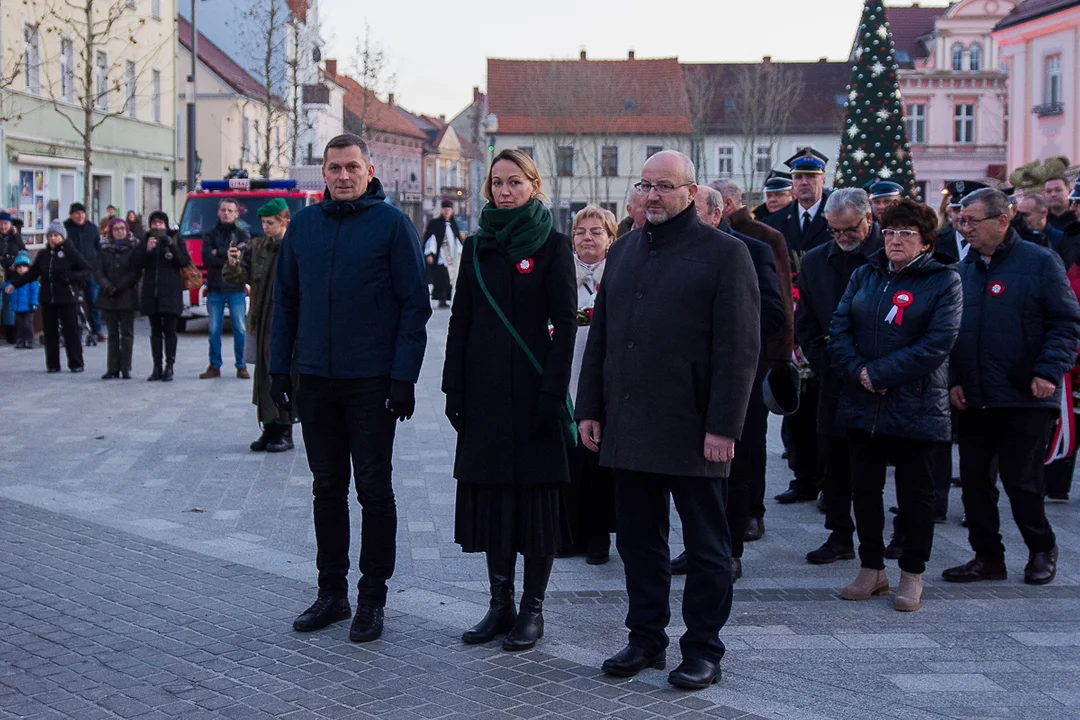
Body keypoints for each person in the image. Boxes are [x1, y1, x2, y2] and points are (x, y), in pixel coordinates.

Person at [576, 151, 760, 690]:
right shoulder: (626, 248)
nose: (653, 195)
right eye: (646, 185)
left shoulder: (725, 254)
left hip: (695, 428)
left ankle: (703, 648)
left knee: (707, 548)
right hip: (629, 424)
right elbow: (602, 340)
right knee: (638, 540)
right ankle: (645, 638)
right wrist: (591, 407)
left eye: (665, 187)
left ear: (690, 191)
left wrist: (724, 425)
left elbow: (739, 349)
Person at [271, 133, 431, 643]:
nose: (343, 176)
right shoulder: (304, 226)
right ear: (323, 171)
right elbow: (286, 303)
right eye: (334, 168)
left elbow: (415, 305)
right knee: (325, 488)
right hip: (317, 378)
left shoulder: (392, 225)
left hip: (371, 382)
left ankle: (372, 599)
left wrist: (404, 376)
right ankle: (332, 592)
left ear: (370, 169)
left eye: (352, 168)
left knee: (374, 490)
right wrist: (280, 369)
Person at [442, 148, 576, 651]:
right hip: (485, 397)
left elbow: (564, 327)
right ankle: (500, 603)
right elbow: (461, 321)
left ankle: (532, 610)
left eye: (514, 182)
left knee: (535, 504)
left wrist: (551, 392)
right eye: (497, 183)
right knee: (494, 500)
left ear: (533, 186)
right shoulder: (477, 247)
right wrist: (453, 386)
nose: (504, 191)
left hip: (536, 394)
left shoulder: (553, 246)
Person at [828, 199, 962, 612]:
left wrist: (882, 373)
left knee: (916, 493)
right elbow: (839, 327)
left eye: (905, 234)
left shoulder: (944, 280)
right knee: (863, 488)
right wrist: (860, 373)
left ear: (925, 242)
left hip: (916, 404)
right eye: (889, 232)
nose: (894, 240)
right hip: (863, 402)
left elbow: (938, 342)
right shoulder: (866, 273)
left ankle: (911, 574)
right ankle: (872, 569)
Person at [944, 188, 1080, 586]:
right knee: (974, 483)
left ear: (1002, 221)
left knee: (1022, 482)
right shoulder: (962, 270)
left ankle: (1041, 548)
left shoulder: (1039, 262)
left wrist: (1047, 372)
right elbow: (951, 333)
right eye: (960, 220)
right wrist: (954, 380)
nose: (963, 228)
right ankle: (987, 556)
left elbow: (1065, 323)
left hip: (1025, 394)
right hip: (973, 396)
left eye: (972, 221)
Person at [675, 185, 782, 581]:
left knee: (735, 469)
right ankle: (696, 547)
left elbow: (773, 314)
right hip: (689, 386)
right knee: (691, 471)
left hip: (740, 381)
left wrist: (726, 338)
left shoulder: (753, 252)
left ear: (716, 215)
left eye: (694, 211)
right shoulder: (677, 252)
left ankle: (729, 551)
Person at [797, 189, 884, 565]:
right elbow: (807, 324)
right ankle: (839, 533)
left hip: (882, 378)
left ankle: (887, 537)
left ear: (869, 219)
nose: (844, 238)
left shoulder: (890, 257)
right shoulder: (817, 261)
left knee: (877, 463)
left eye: (850, 230)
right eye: (835, 231)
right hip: (834, 377)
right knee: (834, 459)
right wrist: (828, 360)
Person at [710, 178, 795, 542]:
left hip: (749, 364)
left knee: (748, 447)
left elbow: (778, 311)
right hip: (702, 373)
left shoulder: (761, 243)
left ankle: (750, 515)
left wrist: (771, 352)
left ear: (721, 209)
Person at [763, 148, 834, 505]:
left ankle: (828, 480)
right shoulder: (778, 223)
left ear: (824, 180)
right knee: (796, 404)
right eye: (798, 178)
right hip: (788, 324)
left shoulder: (835, 217)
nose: (804, 184)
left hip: (825, 322)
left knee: (824, 403)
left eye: (811, 177)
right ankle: (803, 477)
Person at [564, 205, 617, 564]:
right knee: (569, 459)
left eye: (596, 231)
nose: (588, 238)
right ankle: (568, 535)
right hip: (568, 372)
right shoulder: (561, 273)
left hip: (605, 377)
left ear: (610, 238)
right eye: (581, 231)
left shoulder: (619, 272)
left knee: (599, 461)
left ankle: (599, 538)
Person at [223, 198, 297, 452]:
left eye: (271, 222)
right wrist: (232, 262)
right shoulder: (257, 247)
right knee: (263, 375)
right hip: (260, 318)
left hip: (287, 320)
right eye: (263, 222)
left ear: (284, 221)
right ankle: (269, 428)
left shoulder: (295, 247)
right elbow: (239, 277)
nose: (265, 227)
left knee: (283, 373)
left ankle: (285, 431)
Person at [6, 220, 89, 372]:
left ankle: (76, 363)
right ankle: (53, 364)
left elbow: (85, 270)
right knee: (50, 332)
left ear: (62, 236)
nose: (52, 239)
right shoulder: (44, 254)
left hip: (67, 297)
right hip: (48, 298)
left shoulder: (70, 252)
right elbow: (32, 273)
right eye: (50, 235)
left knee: (70, 331)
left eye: (56, 235)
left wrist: (69, 276)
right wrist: (15, 283)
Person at [200, 198, 250, 380]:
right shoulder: (209, 234)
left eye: (230, 210)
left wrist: (217, 252)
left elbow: (243, 258)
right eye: (223, 210)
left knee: (240, 329)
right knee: (214, 329)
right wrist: (227, 254)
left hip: (236, 288)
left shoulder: (243, 234)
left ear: (237, 213)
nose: (226, 213)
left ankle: (241, 365)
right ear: (218, 212)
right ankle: (214, 365)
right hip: (215, 288)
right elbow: (207, 259)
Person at [140, 211, 189, 382]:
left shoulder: (175, 239)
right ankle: (157, 367)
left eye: (161, 223)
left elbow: (184, 261)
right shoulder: (145, 239)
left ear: (166, 225)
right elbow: (136, 263)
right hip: (151, 293)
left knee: (170, 331)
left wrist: (172, 246)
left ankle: (170, 366)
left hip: (170, 293)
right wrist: (147, 250)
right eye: (154, 223)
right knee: (155, 332)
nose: (157, 226)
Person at [94, 218, 142, 380]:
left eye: (123, 228)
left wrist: (119, 287)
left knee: (127, 334)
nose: (120, 231)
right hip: (108, 296)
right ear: (110, 231)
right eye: (116, 229)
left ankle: (125, 367)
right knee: (112, 334)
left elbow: (135, 272)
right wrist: (107, 286)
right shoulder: (103, 248)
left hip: (127, 295)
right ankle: (112, 368)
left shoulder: (134, 246)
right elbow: (98, 270)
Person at [64, 202, 105, 344]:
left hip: (90, 269)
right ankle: (71, 330)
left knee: (93, 300)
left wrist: (99, 265)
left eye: (82, 213)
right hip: (72, 270)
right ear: (71, 215)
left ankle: (96, 329)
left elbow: (98, 247)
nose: (80, 215)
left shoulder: (92, 228)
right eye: (76, 213)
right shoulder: (65, 228)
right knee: (70, 301)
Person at [936, 181, 987, 264]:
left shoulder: (991, 241)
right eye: (956, 210)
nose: (961, 215)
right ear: (949, 213)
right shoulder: (937, 242)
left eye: (966, 210)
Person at [422, 200, 461, 308]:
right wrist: (429, 253)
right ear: (441, 210)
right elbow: (430, 239)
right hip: (440, 257)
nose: (447, 211)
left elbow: (457, 240)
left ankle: (446, 298)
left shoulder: (453, 225)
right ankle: (441, 298)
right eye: (445, 209)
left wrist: (460, 252)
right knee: (440, 278)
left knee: (449, 278)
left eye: (449, 209)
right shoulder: (435, 224)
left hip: (451, 258)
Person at [3, 251, 38, 348]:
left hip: (28, 307)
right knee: (19, 325)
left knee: (27, 324)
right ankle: (21, 340)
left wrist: (34, 303)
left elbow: (35, 293)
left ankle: (29, 340)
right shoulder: (13, 279)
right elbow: (6, 286)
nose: (21, 269)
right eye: (19, 267)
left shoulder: (31, 280)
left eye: (24, 267)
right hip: (17, 307)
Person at [0, 210, 26, 345]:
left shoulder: (16, 238)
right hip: (0, 277)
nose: (3, 227)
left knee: (9, 306)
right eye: (1, 224)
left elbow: (23, 252)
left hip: (11, 277)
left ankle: (11, 335)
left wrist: (17, 265)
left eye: (6, 223)